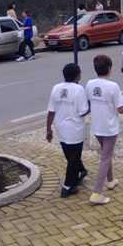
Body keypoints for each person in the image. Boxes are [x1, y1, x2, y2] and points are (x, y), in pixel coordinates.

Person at [85, 55, 123, 205]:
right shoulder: (113, 86)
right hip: (110, 128)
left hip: (96, 126)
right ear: (109, 68)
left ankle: (110, 180)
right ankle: (97, 193)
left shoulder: (90, 84)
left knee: (106, 152)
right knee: (105, 157)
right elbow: (120, 108)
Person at [46, 63, 89, 198]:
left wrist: (48, 129)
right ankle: (68, 186)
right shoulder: (79, 89)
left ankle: (81, 170)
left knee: (71, 156)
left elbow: (51, 111)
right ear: (77, 75)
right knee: (73, 158)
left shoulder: (56, 88)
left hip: (61, 129)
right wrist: (91, 106)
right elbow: (83, 112)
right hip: (75, 130)